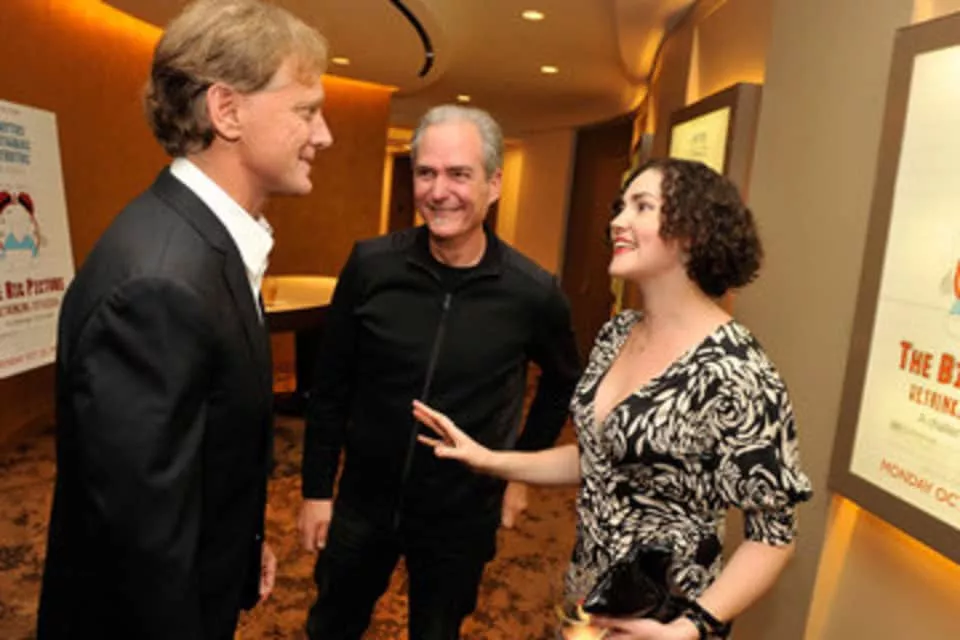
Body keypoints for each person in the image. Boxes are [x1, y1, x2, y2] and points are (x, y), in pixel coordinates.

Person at [414, 158, 813, 639]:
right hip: (591, 599)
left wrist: (689, 628)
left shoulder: (737, 370)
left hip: (666, 618)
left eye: (641, 206)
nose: (618, 221)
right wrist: (489, 459)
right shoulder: (617, 333)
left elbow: (773, 537)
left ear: (692, 232)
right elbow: (600, 458)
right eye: (621, 206)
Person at [37, 1, 332, 638]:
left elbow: (201, 454)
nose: (324, 135)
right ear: (227, 110)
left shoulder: (206, 243)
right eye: (307, 111)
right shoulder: (160, 284)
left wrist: (239, 543)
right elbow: (141, 549)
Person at [299, 104, 582, 640]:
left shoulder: (532, 292)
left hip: (461, 511)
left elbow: (563, 380)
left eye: (459, 174)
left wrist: (518, 470)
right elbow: (330, 385)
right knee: (330, 627)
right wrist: (317, 491)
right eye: (426, 172)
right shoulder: (371, 266)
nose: (438, 191)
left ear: (494, 184)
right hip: (363, 501)